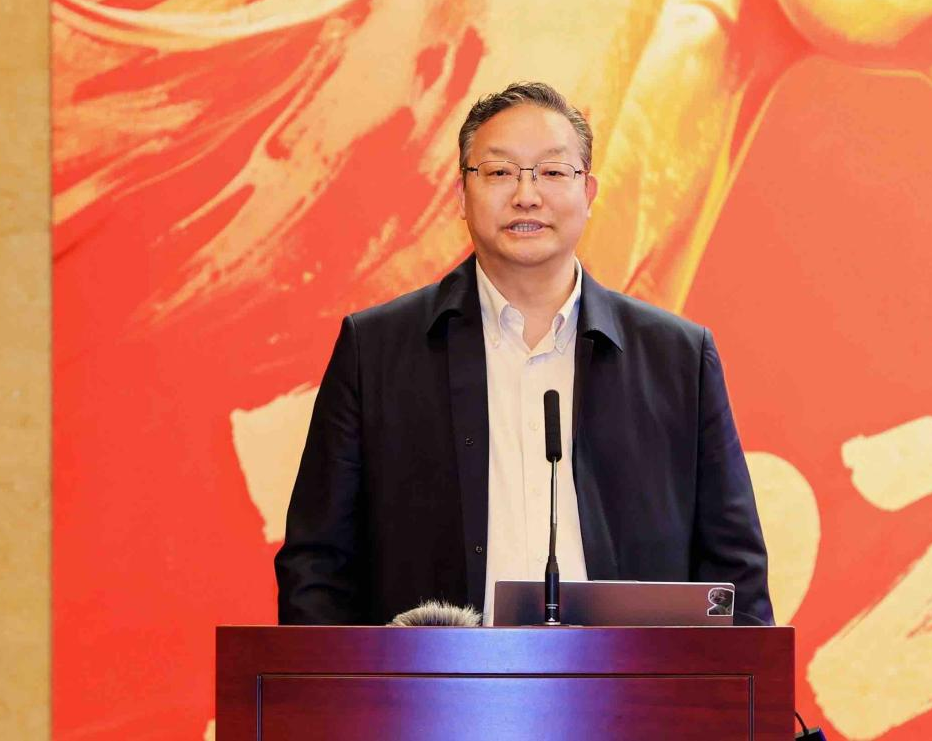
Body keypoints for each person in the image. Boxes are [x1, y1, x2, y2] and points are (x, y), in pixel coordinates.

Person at [275, 82, 773, 625]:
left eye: (553, 172)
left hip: (630, 678)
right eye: (499, 172)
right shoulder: (377, 351)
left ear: (589, 193)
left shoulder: (676, 358)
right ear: (461, 195)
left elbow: (735, 574)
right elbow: (317, 565)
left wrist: (735, 681)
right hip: (431, 677)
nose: (527, 195)